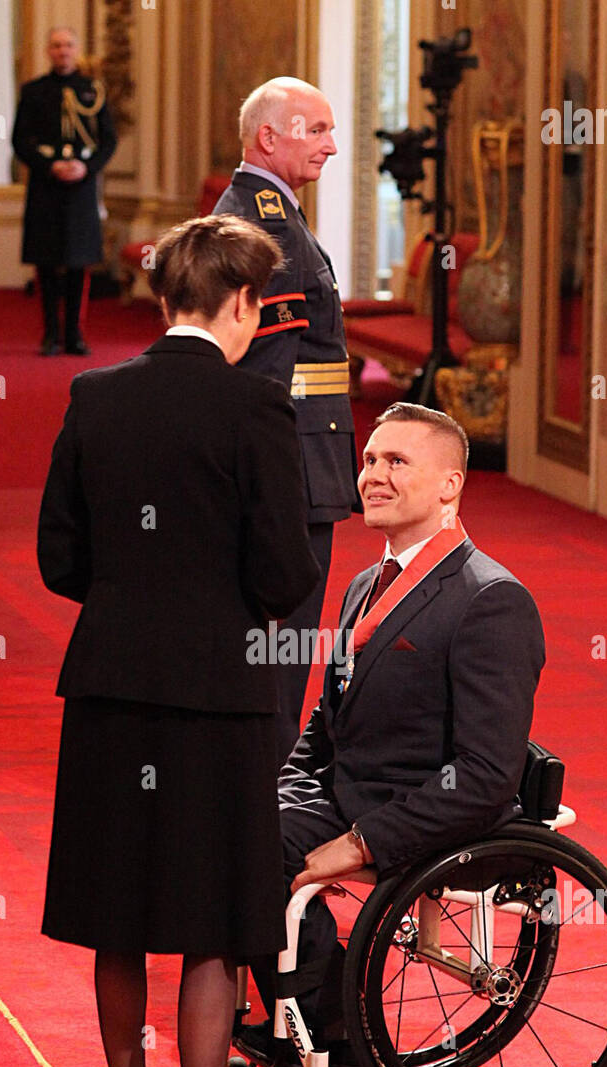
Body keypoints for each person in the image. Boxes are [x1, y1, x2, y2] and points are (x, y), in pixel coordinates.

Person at [38, 214, 320, 1067]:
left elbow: (57, 558)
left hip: (110, 685)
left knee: (118, 911)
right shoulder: (256, 409)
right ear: (241, 304)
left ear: (164, 298)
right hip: (218, 694)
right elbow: (285, 573)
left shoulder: (94, 394)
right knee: (210, 925)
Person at [235, 403, 546, 1067]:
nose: (372, 474)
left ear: (449, 485)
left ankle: (331, 1023)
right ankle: (320, 1013)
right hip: (348, 794)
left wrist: (360, 843)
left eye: (396, 462)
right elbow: (324, 722)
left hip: (430, 812)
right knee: (231, 820)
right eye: (370, 459)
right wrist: (286, 791)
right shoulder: (361, 585)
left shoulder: (491, 600)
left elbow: (487, 774)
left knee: (247, 842)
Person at [214, 77, 357, 767]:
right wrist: (266, 485)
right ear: (267, 138)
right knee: (279, 651)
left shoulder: (263, 212)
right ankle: (260, 817)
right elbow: (264, 376)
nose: (332, 145)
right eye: (316, 129)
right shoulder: (270, 226)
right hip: (292, 467)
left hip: (296, 463)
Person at [13, 26, 116, 356]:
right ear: (48, 51)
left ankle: (74, 334)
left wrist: (88, 167)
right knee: (46, 262)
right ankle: (50, 333)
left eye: (68, 46)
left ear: (76, 50)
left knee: (77, 262)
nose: (62, 51)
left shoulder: (93, 91)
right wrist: (49, 167)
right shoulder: (33, 91)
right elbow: (19, 141)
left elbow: (108, 140)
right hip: (46, 185)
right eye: (56, 46)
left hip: (81, 187)